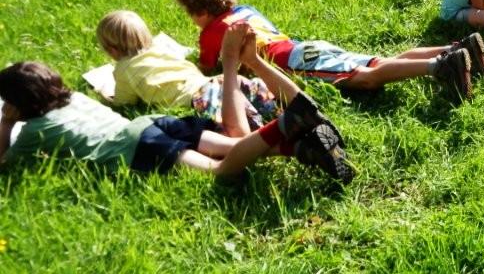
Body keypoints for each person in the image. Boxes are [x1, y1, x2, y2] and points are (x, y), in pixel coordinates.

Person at [0, 24, 352, 182]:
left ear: (16, 103)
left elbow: (5, 161)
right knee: (235, 146)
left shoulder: (34, 131)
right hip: (152, 123)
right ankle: (303, 149)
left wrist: (7, 122)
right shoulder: (75, 99)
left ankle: (289, 123)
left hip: (137, 144)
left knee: (221, 169)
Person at [176, 0, 482, 102]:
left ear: (200, 11)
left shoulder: (211, 32)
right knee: (379, 62)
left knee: (365, 79)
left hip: (291, 62)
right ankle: (457, 48)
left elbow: (207, 70)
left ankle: (440, 66)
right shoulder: (245, 11)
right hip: (305, 48)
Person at [96, 10, 277, 138]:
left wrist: (106, 95)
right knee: (258, 97)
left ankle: (263, 134)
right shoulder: (161, 49)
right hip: (216, 81)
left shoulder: (123, 70)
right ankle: (275, 109)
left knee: (236, 130)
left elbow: (124, 102)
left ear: (112, 50)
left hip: (199, 95)